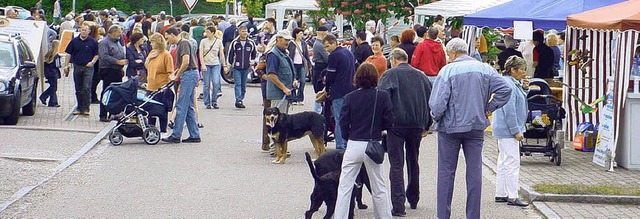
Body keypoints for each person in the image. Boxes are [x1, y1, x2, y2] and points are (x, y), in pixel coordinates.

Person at [429, 38, 511, 219]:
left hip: (450, 128)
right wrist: (489, 107)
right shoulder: (485, 69)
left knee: (446, 172)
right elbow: (506, 89)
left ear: (452, 53)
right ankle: (473, 215)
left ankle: (443, 215)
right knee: (474, 171)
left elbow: (437, 104)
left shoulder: (448, 70)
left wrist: (435, 118)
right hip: (475, 126)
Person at [335, 63, 394, 219]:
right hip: (373, 143)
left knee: (345, 186)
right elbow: (389, 121)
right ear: (376, 77)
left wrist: (348, 137)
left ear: (357, 78)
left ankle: (340, 216)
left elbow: (342, 122)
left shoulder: (349, 97)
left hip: (354, 143)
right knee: (378, 186)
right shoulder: (382, 96)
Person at [378, 48, 432, 216]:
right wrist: (427, 124)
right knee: (413, 160)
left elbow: (382, 99)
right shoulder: (422, 76)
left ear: (393, 60)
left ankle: (398, 205)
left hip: (396, 124)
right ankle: (414, 198)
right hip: (417, 123)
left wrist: (382, 123)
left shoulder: (390, 75)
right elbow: (430, 100)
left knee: (396, 163)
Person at [492, 55, 530, 207]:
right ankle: (513, 196)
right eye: (521, 69)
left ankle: (500, 192)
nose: (524, 72)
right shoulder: (510, 86)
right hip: (509, 130)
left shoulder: (510, 83)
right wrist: (516, 131)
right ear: (513, 70)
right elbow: (510, 111)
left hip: (503, 129)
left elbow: (517, 102)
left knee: (503, 161)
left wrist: (525, 89)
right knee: (512, 163)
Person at [162, 27, 202, 143]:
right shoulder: (181, 44)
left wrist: (176, 75)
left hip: (188, 74)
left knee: (181, 105)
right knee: (188, 106)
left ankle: (176, 135)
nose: (167, 40)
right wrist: (175, 73)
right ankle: (194, 135)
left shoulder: (183, 43)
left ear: (173, 34)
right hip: (189, 73)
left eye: (167, 37)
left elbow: (186, 61)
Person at [324, 34, 357, 150]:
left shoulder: (334, 56)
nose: (327, 49)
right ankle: (349, 144)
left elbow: (330, 76)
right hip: (352, 91)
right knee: (350, 119)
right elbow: (357, 66)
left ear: (334, 43)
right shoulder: (349, 53)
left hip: (338, 91)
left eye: (327, 46)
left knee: (339, 120)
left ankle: (340, 146)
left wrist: (327, 89)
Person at [65, 23, 99, 116]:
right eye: (82, 30)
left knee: (87, 87)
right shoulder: (74, 41)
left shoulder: (93, 42)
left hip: (88, 68)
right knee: (78, 88)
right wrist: (66, 65)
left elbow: (97, 54)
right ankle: (79, 107)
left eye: (85, 30)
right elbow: (68, 53)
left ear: (89, 31)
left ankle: (86, 108)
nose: (83, 32)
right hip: (77, 66)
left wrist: (92, 62)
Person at [145, 33, 174, 138]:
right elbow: (146, 66)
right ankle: (150, 129)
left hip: (161, 86)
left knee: (162, 110)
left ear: (158, 42)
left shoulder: (166, 55)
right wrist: (149, 58)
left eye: (152, 42)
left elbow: (170, 71)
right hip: (150, 85)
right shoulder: (152, 52)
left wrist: (168, 85)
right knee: (150, 109)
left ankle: (163, 130)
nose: (151, 44)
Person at [98, 25, 128, 122]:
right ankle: (103, 114)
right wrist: (117, 62)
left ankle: (113, 113)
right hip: (108, 70)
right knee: (107, 91)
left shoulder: (118, 42)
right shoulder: (104, 43)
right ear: (113, 32)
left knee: (116, 93)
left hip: (117, 71)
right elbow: (104, 56)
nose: (120, 34)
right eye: (119, 32)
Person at [257, 17, 278, 152]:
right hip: (268, 87)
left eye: (268, 23)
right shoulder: (262, 37)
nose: (266, 25)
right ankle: (267, 142)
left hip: (276, 88)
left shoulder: (276, 37)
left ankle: (274, 142)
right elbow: (259, 69)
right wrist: (267, 78)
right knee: (268, 113)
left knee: (276, 115)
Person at [227, 25, 257, 109]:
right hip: (237, 67)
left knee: (243, 85)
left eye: (246, 31)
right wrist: (229, 65)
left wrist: (252, 61)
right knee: (238, 84)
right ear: (239, 32)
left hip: (246, 67)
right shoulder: (235, 43)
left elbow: (254, 53)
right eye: (243, 31)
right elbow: (230, 54)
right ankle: (238, 100)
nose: (245, 33)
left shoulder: (250, 42)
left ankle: (241, 98)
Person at [199, 26, 227, 109]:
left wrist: (224, 65)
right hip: (206, 64)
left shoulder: (218, 42)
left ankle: (214, 101)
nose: (206, 33)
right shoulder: (203, 41)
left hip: (215, 63)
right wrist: (202, 64)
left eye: (207, 32)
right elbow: (200, 54)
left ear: (212, 33)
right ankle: (207, 102)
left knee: (216, 82)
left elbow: (221, 54)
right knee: (206, 84)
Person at [287, 28, 312, 105]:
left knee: (303, 81)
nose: (302, 35)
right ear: (296, 34)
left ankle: (300, 98)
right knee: (293, 81)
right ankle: (293, 98)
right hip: (293, 64)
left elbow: (306, 54)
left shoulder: (303, 43)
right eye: (301, 33)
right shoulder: (291, 43)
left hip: (301, 64)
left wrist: (309, 64)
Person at [40, 40, 67, 108]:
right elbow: (58, 65)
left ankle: (53, 101)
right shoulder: (56, 55)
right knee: (53, 88)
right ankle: (44, 97)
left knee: (53, 87)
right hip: (53, 73)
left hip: (48, 73)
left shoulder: (48, 54)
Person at [312, 25, 330, 113]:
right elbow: (327, 58)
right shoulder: (320, 45)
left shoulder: (318, 43)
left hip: (318, 69)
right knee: (320, 94)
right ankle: (318, 114)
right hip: (320, 69)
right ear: (323, 33)